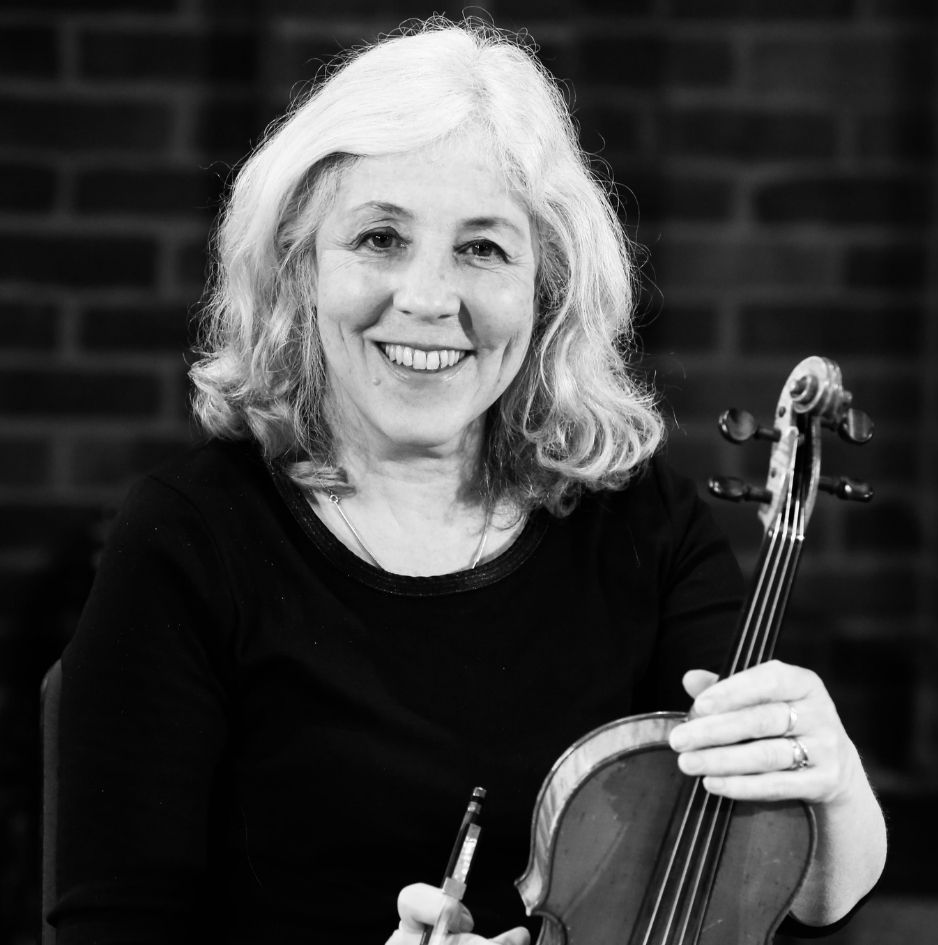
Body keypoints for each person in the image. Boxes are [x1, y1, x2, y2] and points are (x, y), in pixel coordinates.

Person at [50, 17, 886, 945]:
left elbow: (792, 896)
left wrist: (833, 780)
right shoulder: (189, 541)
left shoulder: (642, 525)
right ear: (300, 270)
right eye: (379, 237)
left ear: (545, 289)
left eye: (483, 248)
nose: (426, 298)